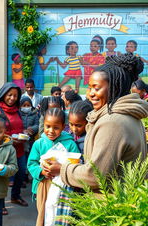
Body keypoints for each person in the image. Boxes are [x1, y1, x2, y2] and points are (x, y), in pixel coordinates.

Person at [44, 53, 148, 197]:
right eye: (89, 88)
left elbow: (95, 176)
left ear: (115, 88)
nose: (90, 94)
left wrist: (62, 169)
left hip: (111, 208)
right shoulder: (127, 116)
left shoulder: (113, 122)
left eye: (96, 88)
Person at [28, 108, 80, 226]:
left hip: (62, 187)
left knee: (59, 217)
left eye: (56, 127)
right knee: (44, 217)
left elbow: (75, 162)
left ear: (63, 127)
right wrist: (41, 172)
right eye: (47, 126)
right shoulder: (39, 144)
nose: (51, 131)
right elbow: (31, 163)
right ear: (43, 125)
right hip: (43, 186)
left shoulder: (69, 144)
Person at [0, 82, 28, 210]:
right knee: (2, 176)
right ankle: (0, 203)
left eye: (15, 96)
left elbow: (19, 126)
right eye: (9, 95)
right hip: (3, 149)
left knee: (21, 173)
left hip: (19, 148)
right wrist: (10, 139)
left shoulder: (17, 109)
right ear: (3, 94)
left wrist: (24, 133)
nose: (12, 98)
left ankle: (15, 196)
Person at [20, 96, 40, 186]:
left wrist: (31, 129)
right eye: (24, 105)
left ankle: (29, 176)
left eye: (28, 105)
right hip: (21, 141)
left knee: (30, 158)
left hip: (31, 140)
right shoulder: (19, 114)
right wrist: (23, 130)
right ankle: (23, 178)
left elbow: (37, 125)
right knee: (22, 160)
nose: (26, 107)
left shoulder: (34, 115)